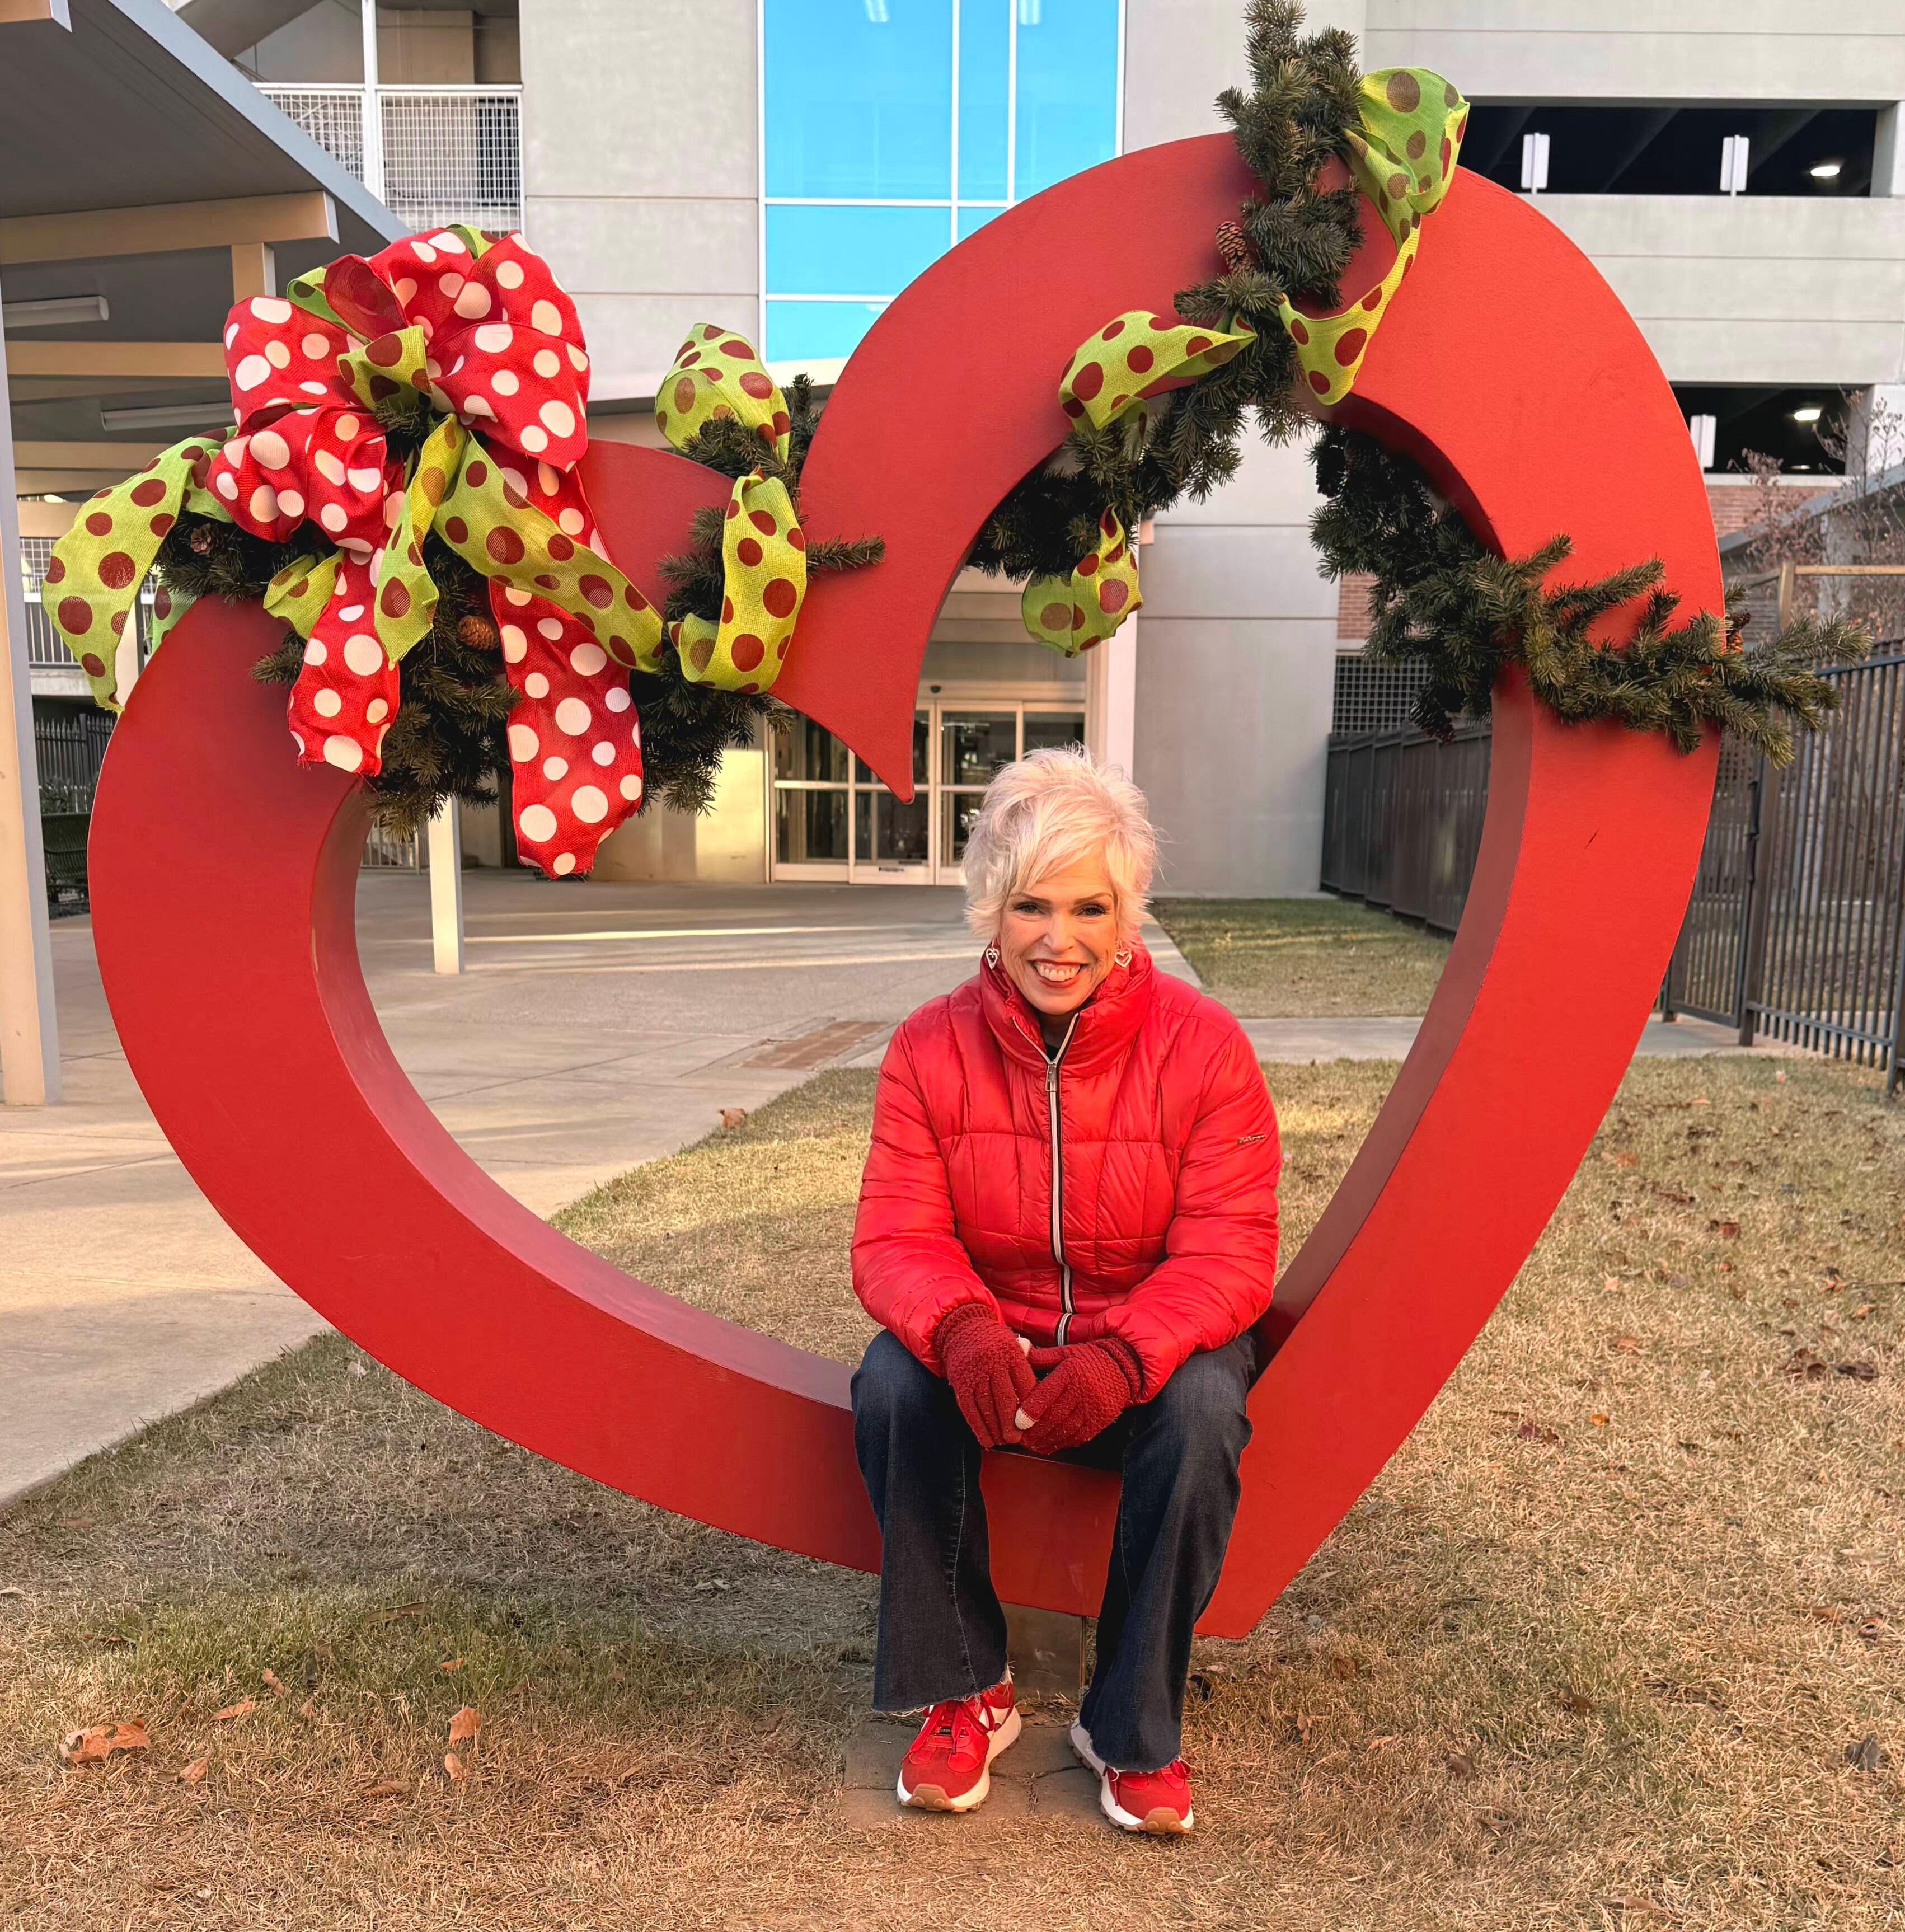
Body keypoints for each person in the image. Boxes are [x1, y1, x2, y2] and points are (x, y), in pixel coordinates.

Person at [850, 746, 1281, 1835]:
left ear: (1127, 913)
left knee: (1205, 1404)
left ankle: (1130, 1726)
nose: (1059, 938)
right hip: (992, 1351)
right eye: (1030, 904)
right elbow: (898, 1235)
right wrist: (964, 1332)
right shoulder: (927, 1047)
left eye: (1089, 906)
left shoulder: (1206, 1047)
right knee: (892, 1381)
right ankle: (968, 1688)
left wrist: (1124, 1356)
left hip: (1140, 1356)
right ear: (991, 910)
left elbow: (1229, 1250)